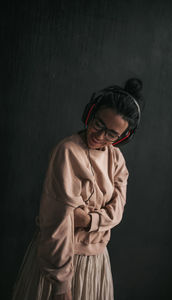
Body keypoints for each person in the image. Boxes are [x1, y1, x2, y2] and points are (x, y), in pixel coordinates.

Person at [12, 77, 144, 300]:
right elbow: (58, 224)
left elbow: (118, 211)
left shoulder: (117, 159)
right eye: (99, 124)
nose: (100, 136)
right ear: (90, 113)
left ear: (123, 137)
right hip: (61, 260)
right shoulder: (67, 151)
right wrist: (61, 285)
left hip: (96, 260)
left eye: (112, 134)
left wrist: (89, 220)